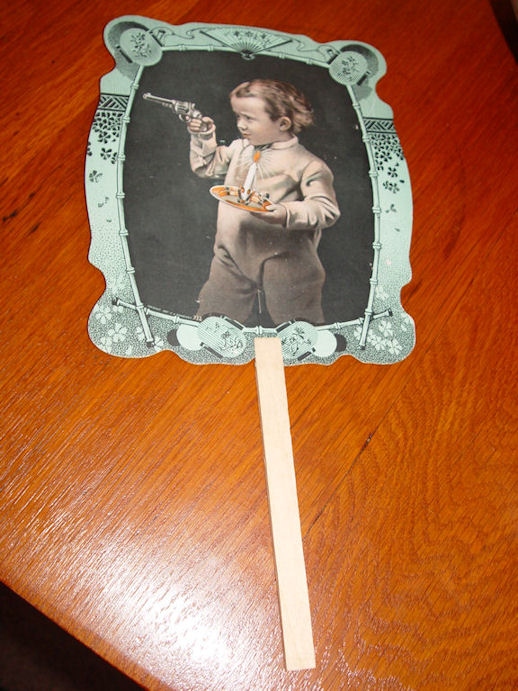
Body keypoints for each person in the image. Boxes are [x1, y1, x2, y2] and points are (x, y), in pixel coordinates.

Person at [188, 79, 340, 325]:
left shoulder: (308, 164)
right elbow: (206, 167)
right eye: (238, 116)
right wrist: (203, 136)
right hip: (231, 254)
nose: (240, 124)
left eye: (249, 118)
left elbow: (326, 208)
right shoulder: (240, 149)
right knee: (213, 318)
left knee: (297, 327)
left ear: (283, 123)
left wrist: (284, 212)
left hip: (285, 260)